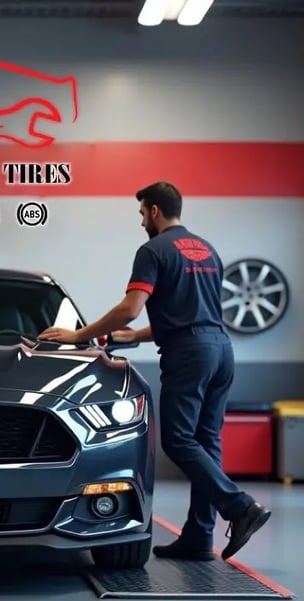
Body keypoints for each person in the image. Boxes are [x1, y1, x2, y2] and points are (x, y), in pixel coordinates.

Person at [38, 181, 270, 561]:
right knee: (206, 442)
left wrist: (78, 334)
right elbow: (194, 315)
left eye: (142, 212)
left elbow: (131, 307)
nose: (142, 220)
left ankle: (240, 506)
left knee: (179, 440)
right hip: (221, 349)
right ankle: (199, 537)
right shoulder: (206, 250)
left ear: (155, 211)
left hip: (189, 355)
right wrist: (138, 336)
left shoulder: (153, 250)